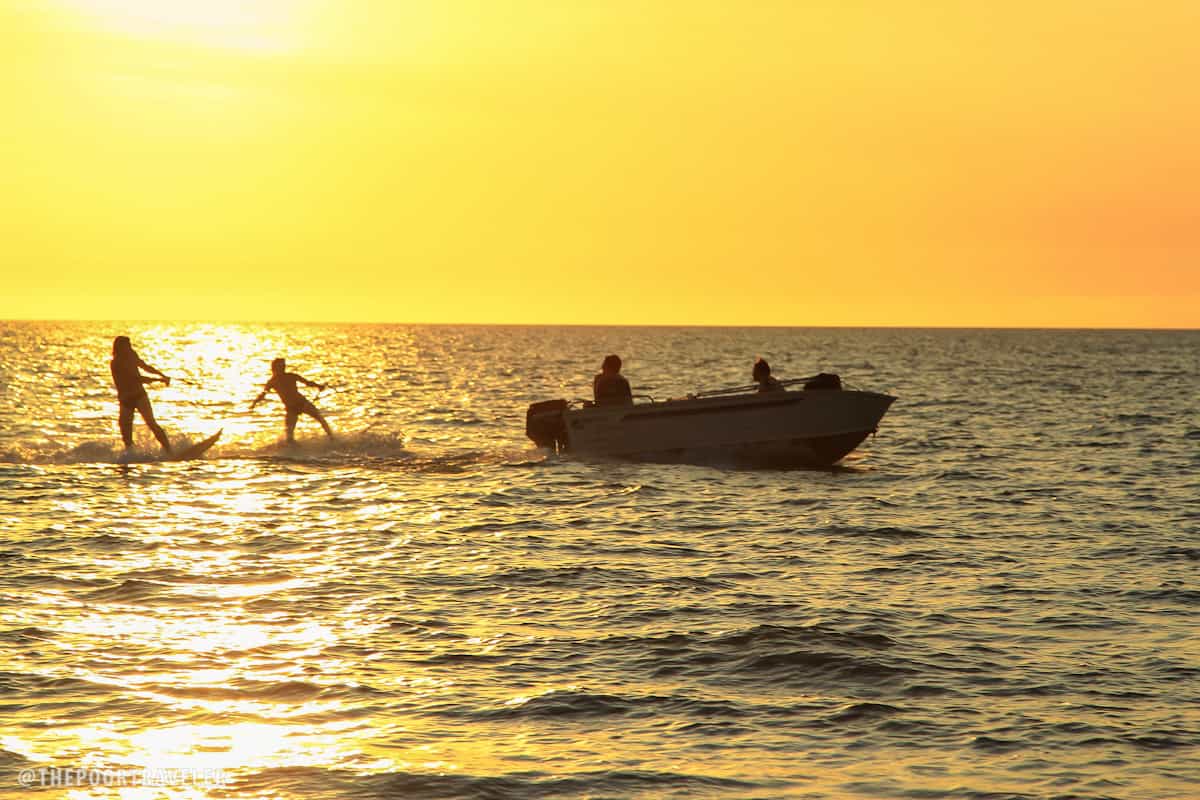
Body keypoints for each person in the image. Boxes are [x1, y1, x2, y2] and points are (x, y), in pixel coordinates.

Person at [110, 335, 173, 452]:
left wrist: (162, 375)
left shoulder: (132, 356)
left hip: (139, 396)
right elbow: (135, 378)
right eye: (126, 346)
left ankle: (169, 451)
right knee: (125, 429)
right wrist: (158, 380)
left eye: (129, 345)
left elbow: (145, 367)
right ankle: (130, 454)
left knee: (151, 423)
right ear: (120, 348)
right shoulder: (116, 363)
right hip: (125, 400)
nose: (129, 348)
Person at [250, 358, 334, 443]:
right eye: (279, 367)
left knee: (320, 418)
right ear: (274, 368)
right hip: (291, 408)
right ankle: (292, 448)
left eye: (283, 366)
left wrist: (319, 386)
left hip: (302, 403)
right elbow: (263, 394)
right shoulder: (272, 382)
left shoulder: (292, 376)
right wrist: (255, 403)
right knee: (289, 435)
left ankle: (332, 438)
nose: (282, 368)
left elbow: (307, 383)